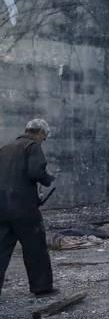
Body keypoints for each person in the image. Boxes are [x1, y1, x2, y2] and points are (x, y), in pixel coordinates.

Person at [0, 119, 58, 297]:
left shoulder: (5, 148)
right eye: (44, 137)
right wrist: (48, 179)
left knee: (1, 250)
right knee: (35, 248)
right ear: (39, 133)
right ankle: (42, 287)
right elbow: (35, 172)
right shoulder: (32, 147)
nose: (43, 141)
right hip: (24, 208)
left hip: (2, 207)